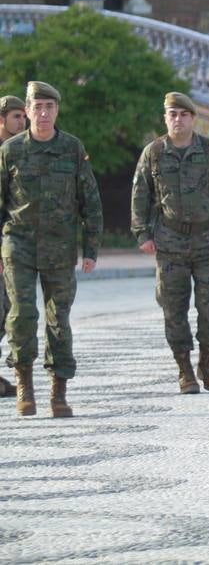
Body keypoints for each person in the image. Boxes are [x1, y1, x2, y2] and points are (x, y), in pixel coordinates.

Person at [0, 82, 102, 418]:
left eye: (49, 107)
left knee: (59, 320)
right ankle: (24, 386)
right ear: (27, 111)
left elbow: (90, 201)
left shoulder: (72, 148)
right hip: (20, 244)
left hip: (60, 247)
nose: (43, 114)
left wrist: (91, 249)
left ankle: (58, 393)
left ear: (57, 111)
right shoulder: (11, 151)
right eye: (37, 107)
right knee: (22, 316)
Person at [130, 92, 209, 394]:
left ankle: (207, 360)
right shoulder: (154, 152)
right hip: (169, 242)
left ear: (193, 118)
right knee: (173, 308)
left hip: (206, 241)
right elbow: (140, 194)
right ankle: (184, 369)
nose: (178, 119)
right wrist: (142, 234)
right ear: (166, 118)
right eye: (172, 114)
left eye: (184, 114)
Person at [0, 95, 26, 399]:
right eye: (17, 117)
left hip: (16, 244)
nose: (23, 122)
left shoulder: (20, 151)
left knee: (11, 312)